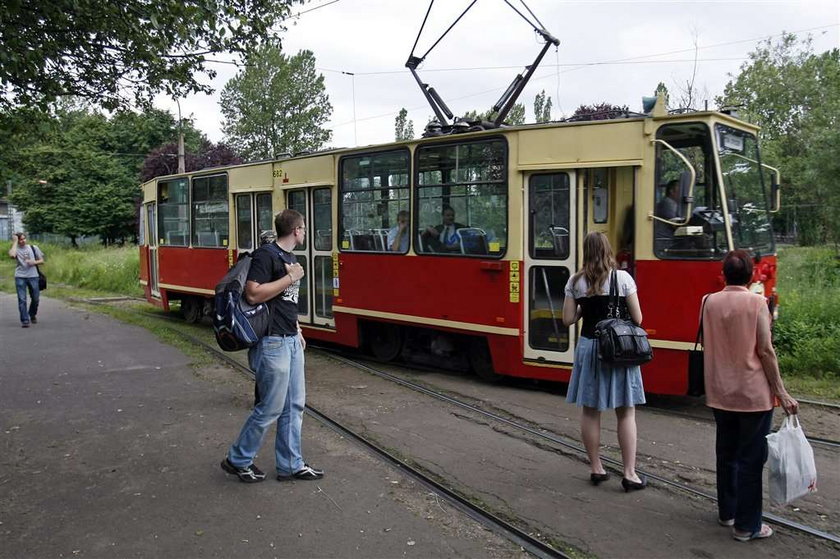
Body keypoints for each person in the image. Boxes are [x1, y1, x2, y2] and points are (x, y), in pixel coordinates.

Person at [701, 250, 798, 541]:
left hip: (720, 392)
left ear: (724, 273)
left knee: (726, 454)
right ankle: (747, 526)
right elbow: (766, 351)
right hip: (752, 395)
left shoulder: (707, 301)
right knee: (751, 461)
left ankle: (727, 513)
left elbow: (708, 341)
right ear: (751, 275)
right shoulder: (758, 303)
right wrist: (781, 391)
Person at [221, 209, 323, 483]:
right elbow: (253, 294)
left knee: (294, 405)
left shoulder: (291, 258)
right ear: (297, 230)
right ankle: (238, 459)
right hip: (272, 343)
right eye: (303, 228)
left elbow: (286, 302)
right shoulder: (267, 255)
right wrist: (291, 277)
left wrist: (298, 329)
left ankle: (291, 464)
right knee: (270, 407)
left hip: (289, 340)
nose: (304, 232)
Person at [562, 232, 647, 491]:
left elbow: (567, 320)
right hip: (620, 350)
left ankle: (597, 468)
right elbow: (638, 319)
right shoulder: (623, 278)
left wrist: (582, 309)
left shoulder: (576, 282)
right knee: (626, 411)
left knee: (591, 410)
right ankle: (630, 474)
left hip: (590, 347)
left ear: (586, 251)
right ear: (608, 250)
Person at [8, 232, 44, 328]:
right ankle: (25, 320)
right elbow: (12, 255)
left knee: (35, 298)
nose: (23, 241)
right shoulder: (14, 249)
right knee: (22, 299)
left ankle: (32, 314)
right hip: (20, 276)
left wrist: (34, 262)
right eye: (20, 239)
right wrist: (15, 242)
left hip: (33, 276)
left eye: (24, 239)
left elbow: (42, 260)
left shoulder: (33, 248)